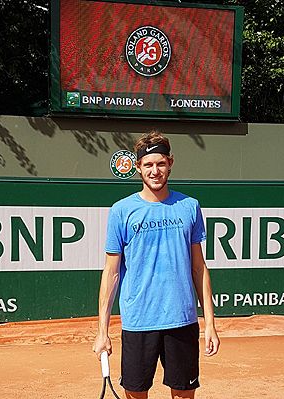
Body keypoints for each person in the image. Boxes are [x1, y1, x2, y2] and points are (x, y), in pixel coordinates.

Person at [93, 129, 220, 399]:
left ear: (170, 164)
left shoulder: (189, 206)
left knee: (184, 395)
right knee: (136, 394)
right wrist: (102, 332)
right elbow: (111, 273)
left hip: (182, 320)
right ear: (138, 168)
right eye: (148, 165)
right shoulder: (121, 211)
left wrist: (210, 324)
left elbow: (199, 268)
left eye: (161, 163)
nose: (155, 171)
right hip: (138, 321)